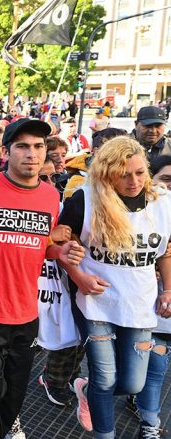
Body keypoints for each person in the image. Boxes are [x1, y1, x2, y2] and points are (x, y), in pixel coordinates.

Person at [0, 118, 85, 439]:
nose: (32, 154)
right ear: (7, 151)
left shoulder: (51, 196)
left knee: (12, 401)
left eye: (38, 147)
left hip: (26, 313)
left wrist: (63, 253)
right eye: (23, 146)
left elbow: (44, 248)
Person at [57, 137, 171, 439]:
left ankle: (85, 387)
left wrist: (168, 289)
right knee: (105, 379)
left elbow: (166, 250)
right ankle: (104, 434)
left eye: (139, 172)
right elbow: (60, 247)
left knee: (133, 382)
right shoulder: (84, 201)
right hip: (95, 302)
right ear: (107, 173)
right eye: (124, 174)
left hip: (139, 302)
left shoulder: (162, 202)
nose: (133, 181)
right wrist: (78, 276)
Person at [129, 155, 171, 439]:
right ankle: (150, 424)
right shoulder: (136, 214)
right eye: (166, 180)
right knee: (152, 370)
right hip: (148, 307)